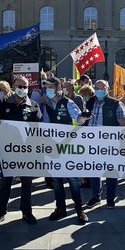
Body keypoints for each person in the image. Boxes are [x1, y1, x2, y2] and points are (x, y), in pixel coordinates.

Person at [0, 76, 43, 227]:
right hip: (8, 149)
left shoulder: (33, 105)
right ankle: (0, 212)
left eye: (25, 86)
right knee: (6, 181)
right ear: (14, 85)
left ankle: (26, 211)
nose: (22, 89)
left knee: (27, 182)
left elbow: (39, 127)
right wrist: (2, 123)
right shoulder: (3, 103)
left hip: (26, 150)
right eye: (20, 86)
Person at [40, 78, 86, 224]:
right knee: (56, 180)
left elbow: (78, 118)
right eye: (46, 87)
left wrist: (83, 118)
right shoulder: (44, 103)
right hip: (50, 146)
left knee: (72, 179)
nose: (48, 89)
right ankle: (60, 208)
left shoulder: (67, 102)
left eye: (50, 87)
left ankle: (79, 209)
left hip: (67, 146)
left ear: (58, 87)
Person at [83, 80, 125, 207]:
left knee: (111, 171)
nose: (98, 90)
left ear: (108, 89)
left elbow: (123, 124)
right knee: (93, 171)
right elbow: (83, 120)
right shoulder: (90, 102)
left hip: (109, 144)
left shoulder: (116, 104)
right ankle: (95, 196)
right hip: (91, 143)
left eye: (102, 88)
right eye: (96, 88)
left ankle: (110, 198)